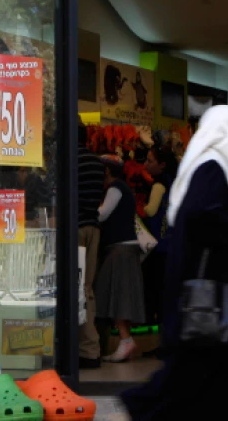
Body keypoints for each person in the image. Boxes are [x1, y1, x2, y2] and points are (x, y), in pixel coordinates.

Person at [121, 105, 228, 421]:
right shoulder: (213, 167)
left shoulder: (206, 164)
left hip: (205, 291)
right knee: (212, 379)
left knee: (200, 380)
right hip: (215, 294)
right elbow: (201, 216)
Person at [95, 155, 145, 362]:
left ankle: (126, 340)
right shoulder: (122, 188)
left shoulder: (115, 188)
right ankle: (126, 340)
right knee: (118, 294)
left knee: (117, 295)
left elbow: (103, 214)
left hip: (120, 249)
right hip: (124, 249)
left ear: (106, 171)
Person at [140, 142, 178, 338]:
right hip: (172, 245)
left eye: (150, 161)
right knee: (168, 295)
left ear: (161, 164)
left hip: (157, 247)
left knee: (157, 294)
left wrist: (138, 208)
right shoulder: (174, 182)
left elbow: (150, 210)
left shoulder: (158, 185)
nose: (146, 165)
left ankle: (164, 341)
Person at [77, 123, 107, 370]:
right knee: (86, 287)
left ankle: (76, 347)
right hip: (93, 228)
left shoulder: (66, 159)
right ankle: (91, 348)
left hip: (73, 229)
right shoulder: (98, 164)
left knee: (71, 286)